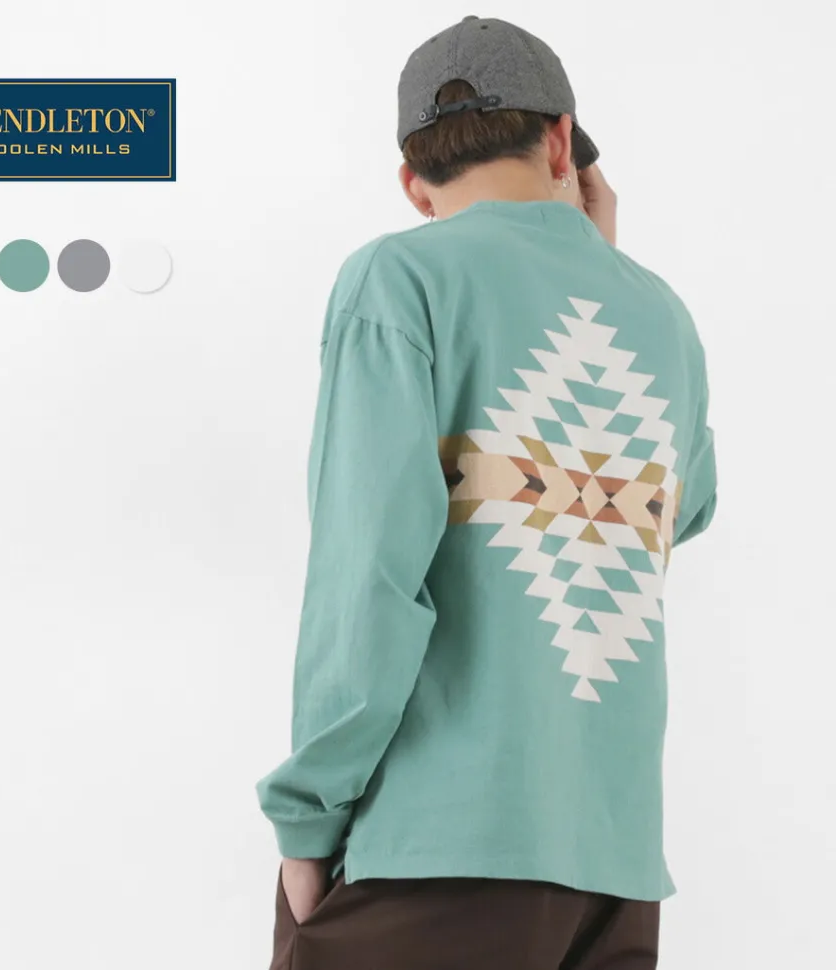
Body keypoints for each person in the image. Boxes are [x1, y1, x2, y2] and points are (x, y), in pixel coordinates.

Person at [255, 14, 717, 970]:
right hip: (615, 871)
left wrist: (309, 818)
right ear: (562, 144)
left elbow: (368, 567)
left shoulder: (399, 279)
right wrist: (601, 264)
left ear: (413, 184)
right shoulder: (661, 313)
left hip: (436, 851)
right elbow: (687, 503)